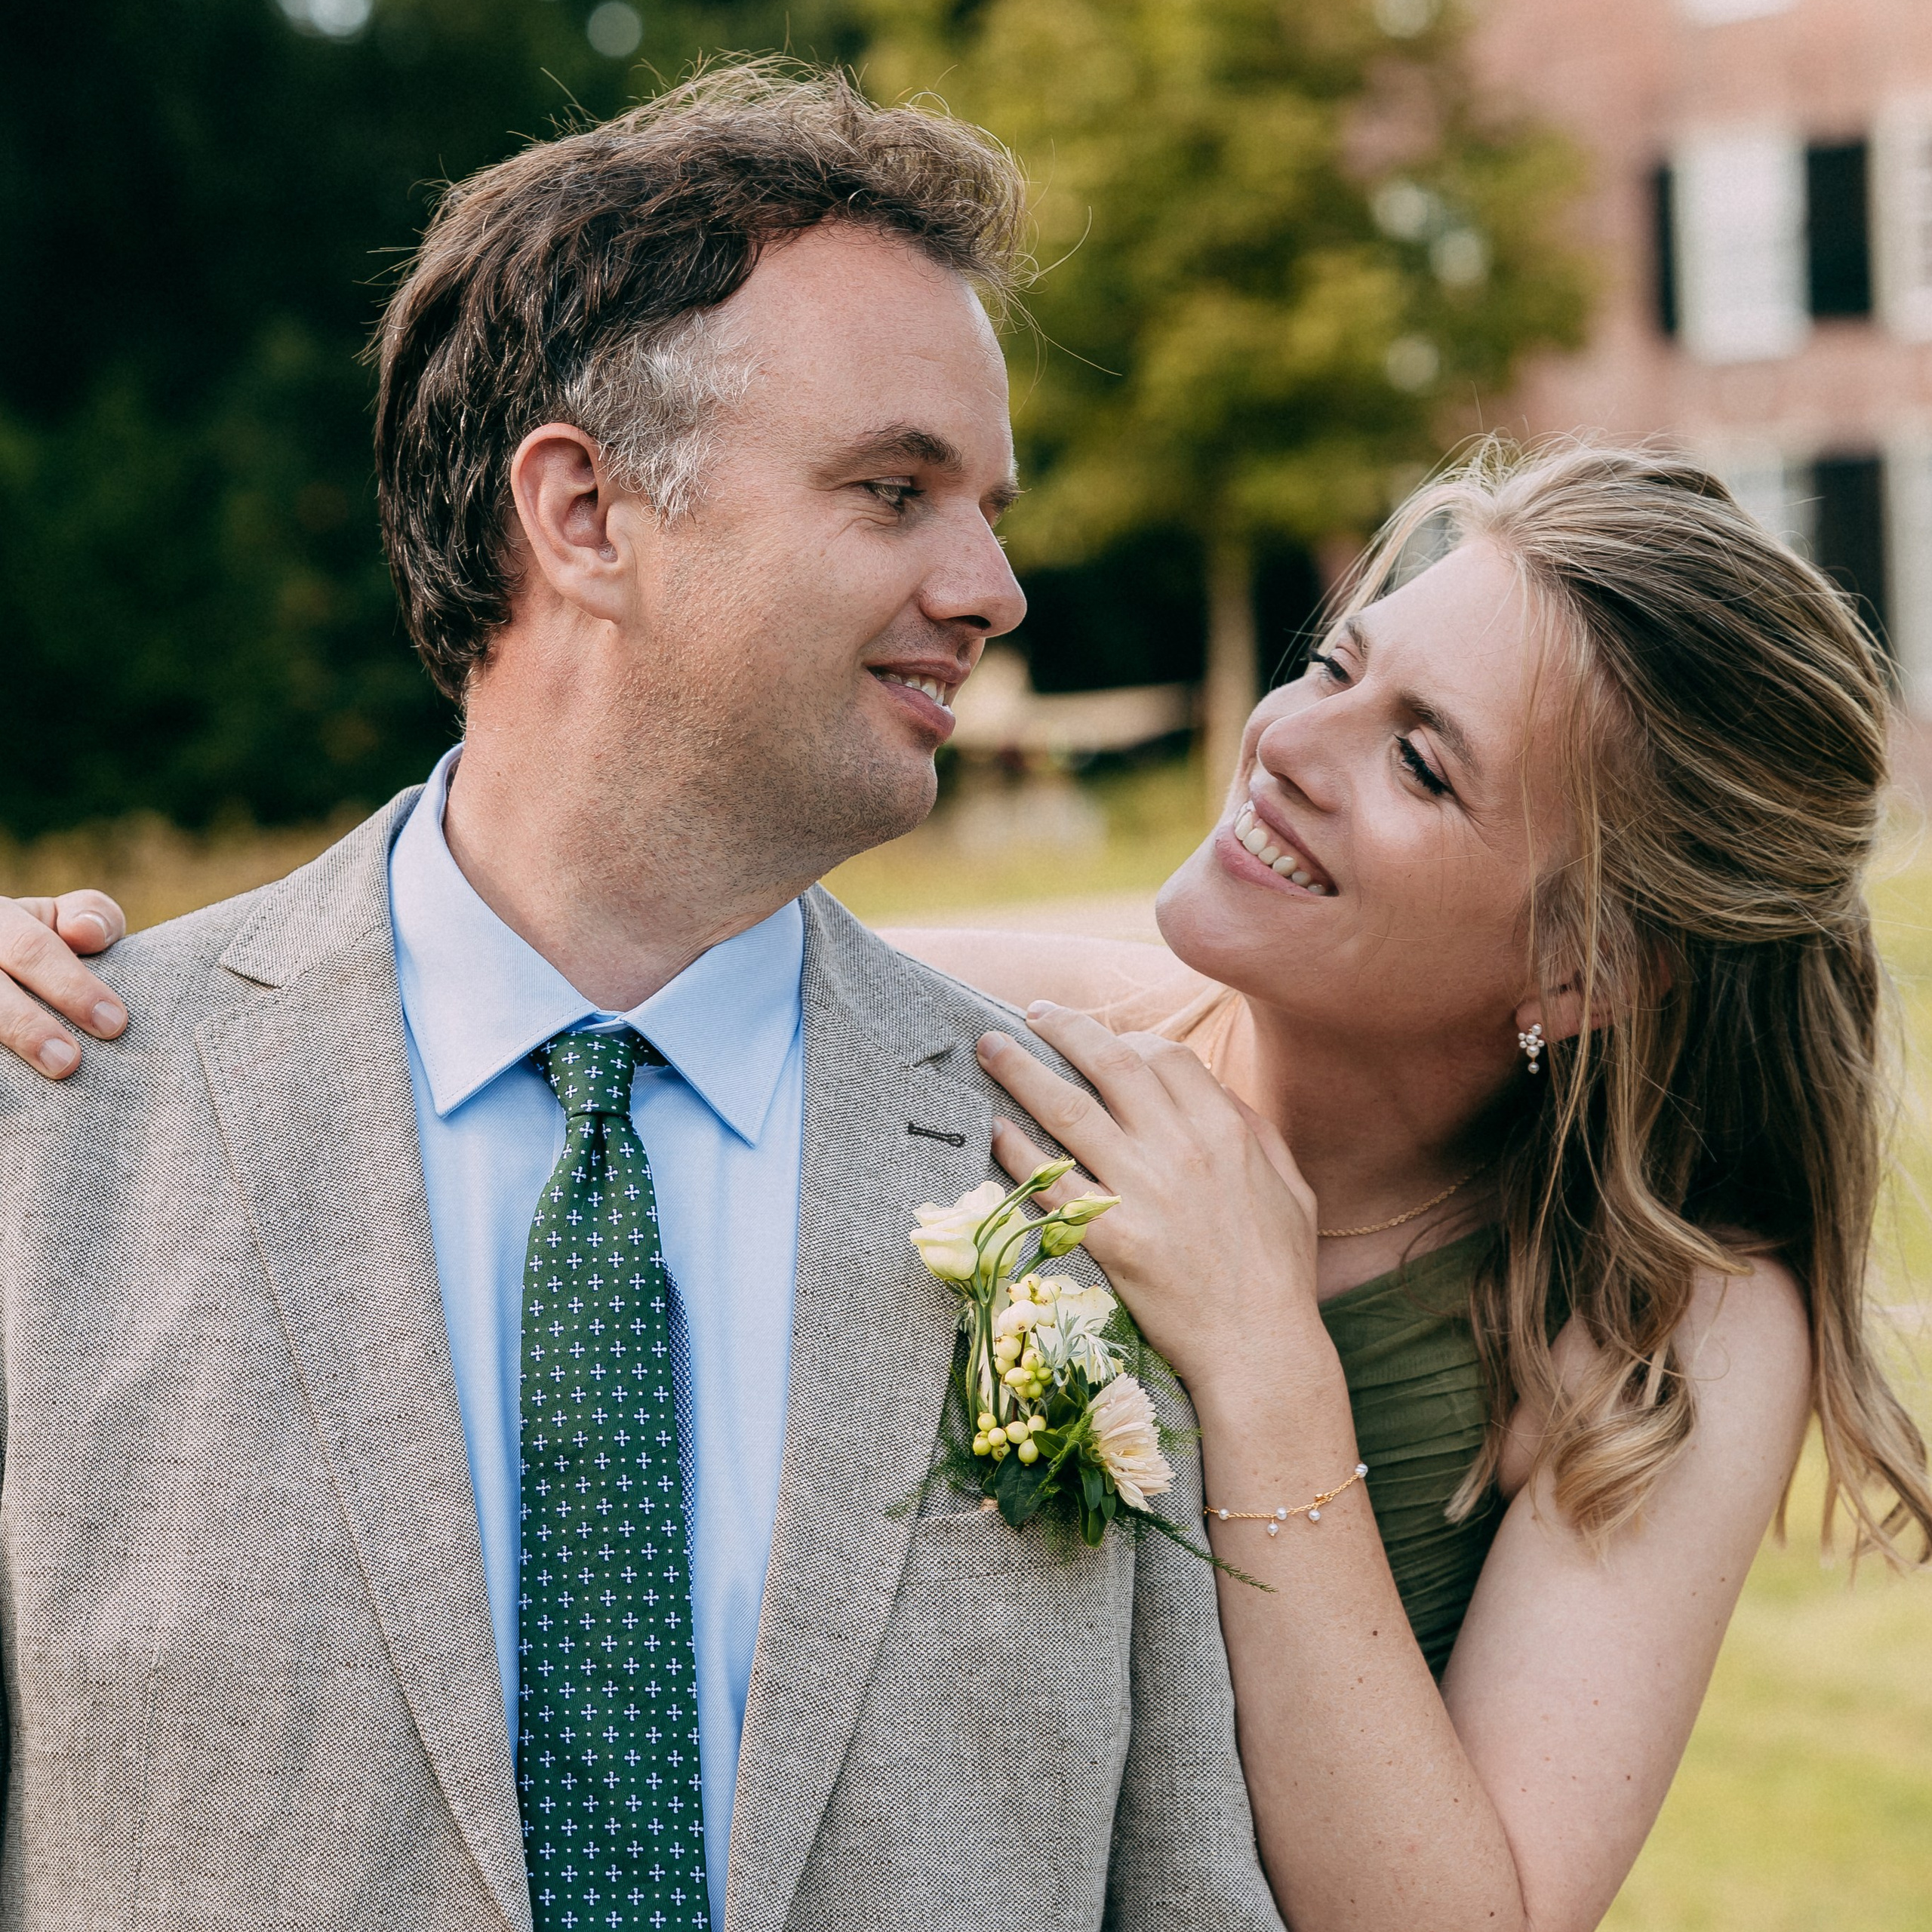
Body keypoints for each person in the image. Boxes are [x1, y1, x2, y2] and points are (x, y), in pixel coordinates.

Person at [14, 441, 1932, 1932]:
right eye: (1338, 665)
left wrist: (1260, 1349)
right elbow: (565, 951)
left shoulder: (1668, 1320)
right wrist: (85, 986)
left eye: (1419, 762)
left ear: (1587, 966)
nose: (1284, 745)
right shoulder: (1014, 1040)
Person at [0, 66, 1286, 1932]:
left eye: (987, 507)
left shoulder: (1084, 1173)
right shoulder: (51, 1126)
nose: (992, 586)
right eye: (893, 489)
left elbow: (1183, 1887)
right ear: (583, 510)